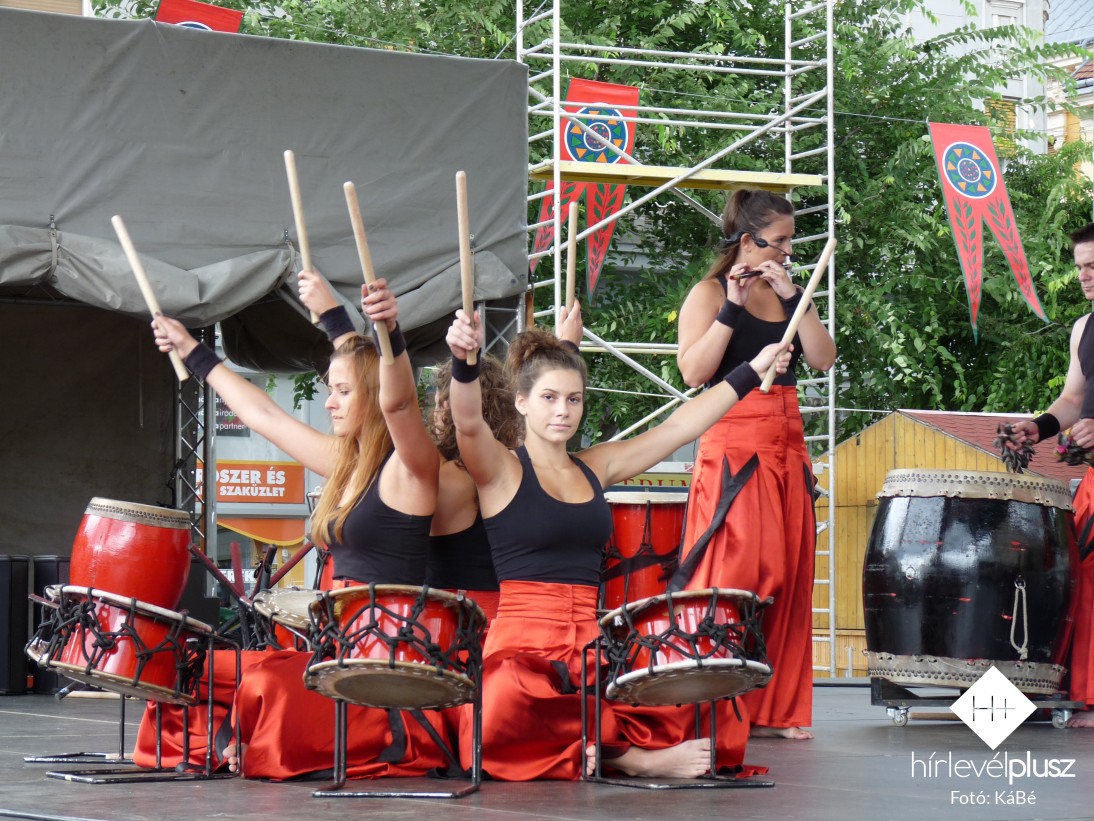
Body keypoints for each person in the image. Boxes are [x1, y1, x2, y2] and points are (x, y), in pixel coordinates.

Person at [445, 303, 791, 781]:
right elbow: (467, 423)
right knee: (502, 695)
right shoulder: (499, 469)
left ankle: (589, 744)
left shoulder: (597, 465)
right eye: (549, 398)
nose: (563, 411)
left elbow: (679, 428)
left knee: (705, 690)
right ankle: (623, 756)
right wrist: (464, 361)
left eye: (574, 399)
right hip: (522, 648)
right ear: (522, 402)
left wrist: (752, 370)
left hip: (592, 644)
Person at [138, 271, 449, 779]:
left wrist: (387, 331)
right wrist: (192, 349)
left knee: (264, 685)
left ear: (372, 396)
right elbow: (265, 416)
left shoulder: (411, 469)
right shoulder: (343, 463)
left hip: (385, 654)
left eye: (343, 392)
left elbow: (400, 402)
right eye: (331, 389)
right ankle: (236, 742)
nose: (328, 402)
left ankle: (252, 741)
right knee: (181, 669)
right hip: (334, 643)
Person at [675, 188, 836, 741]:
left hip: (787, 441)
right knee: (738, 572)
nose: (790, 251)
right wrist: (733, 309)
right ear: (750, 241)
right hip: (734, 440)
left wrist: (796, 300)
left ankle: (778, 706)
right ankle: (717, 697)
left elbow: (822, 358)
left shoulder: (792, 290)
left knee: (789, 573)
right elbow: (694, 373)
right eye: (782, 241)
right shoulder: (708, 292)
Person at [1005, 222, 1094, 728]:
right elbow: (1073, 400)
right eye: (1079, 267)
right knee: (1078, 582)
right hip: (1092, 481)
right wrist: (1035, 429)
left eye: (1093, 267)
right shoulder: (1084, 328)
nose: (1084, 277)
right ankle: (1076, 694)